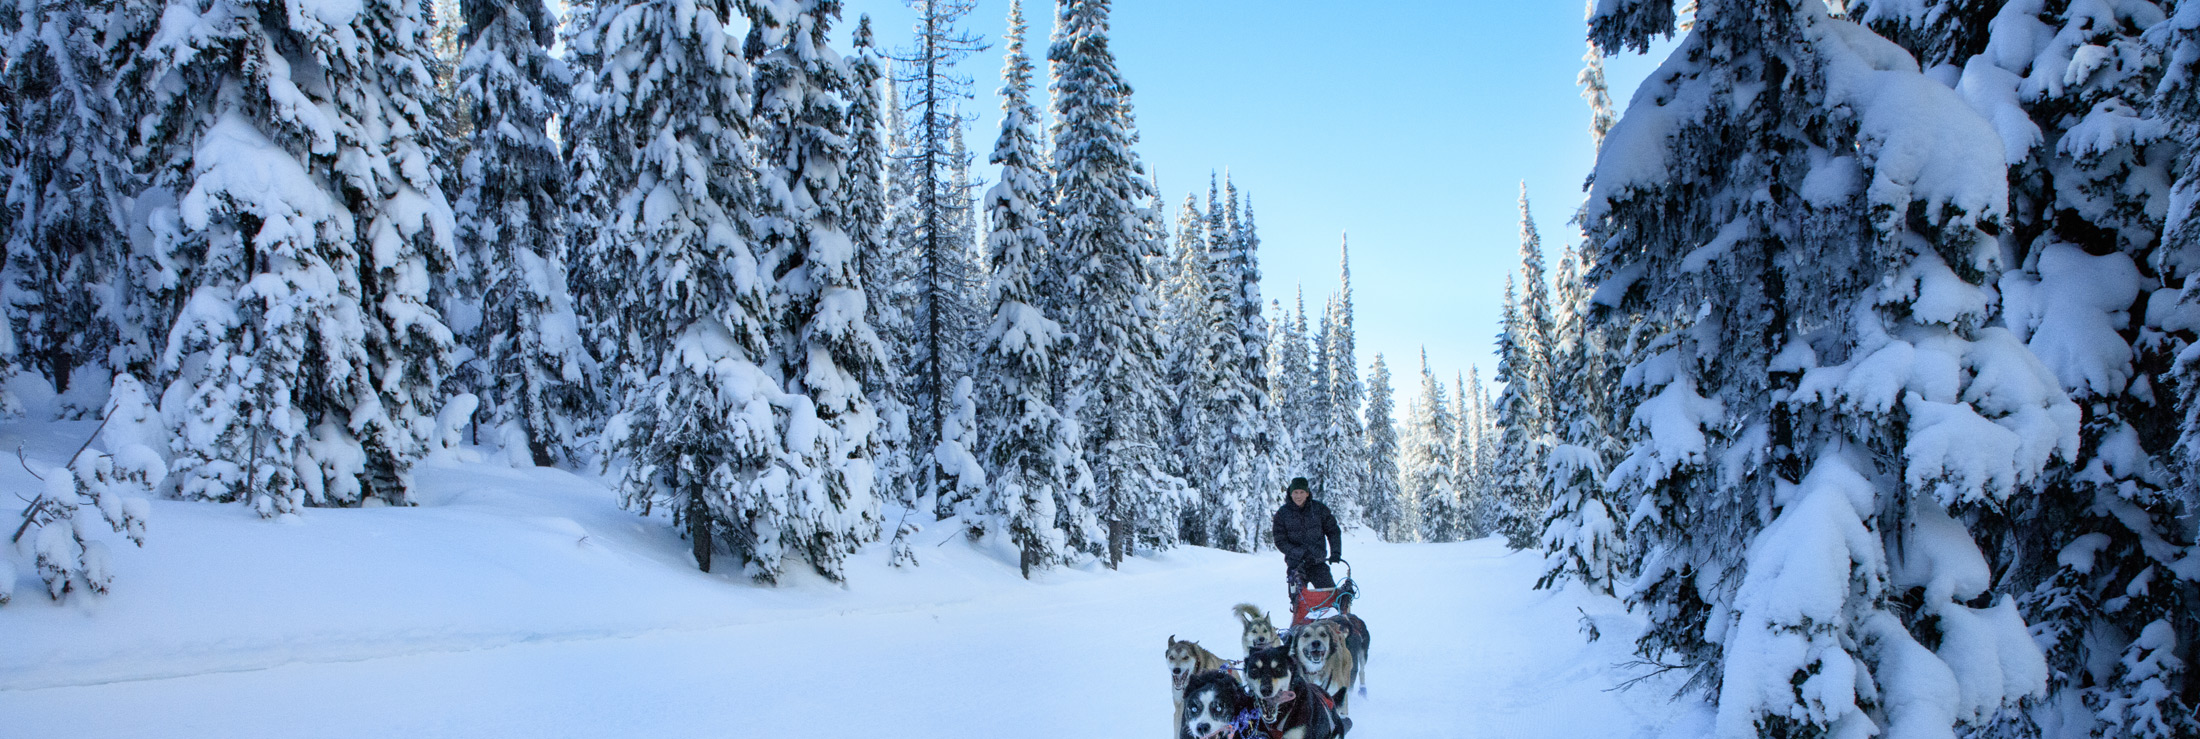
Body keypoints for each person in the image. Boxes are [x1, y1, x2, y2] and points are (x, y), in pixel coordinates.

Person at [1272, 476, 1343, 604]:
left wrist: (1336, 553)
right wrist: (1299, 553)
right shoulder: (1282, 514)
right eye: (1295, 492)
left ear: (1307, 493)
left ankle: (1331, 621)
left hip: (1318, 563)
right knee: (1298, 603)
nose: (1298, 496)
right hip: (1296, 565)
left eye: (1301, 492)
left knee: (1331, 598)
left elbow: (1333, 531)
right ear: (1290, 493)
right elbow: (1280, 541)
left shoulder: (1319, 509)